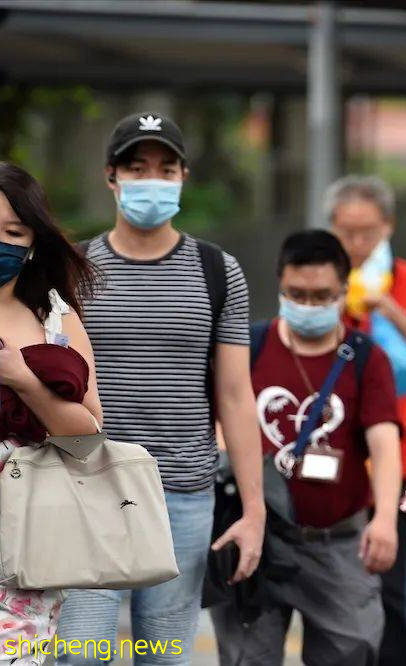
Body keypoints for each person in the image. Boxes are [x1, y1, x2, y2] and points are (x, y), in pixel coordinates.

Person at [56, 112, 265, 665]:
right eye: (137, 167)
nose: (152, 179)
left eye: (165, 169)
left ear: (183, 177)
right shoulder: (73, 269)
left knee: (165, 656)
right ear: (111, 176)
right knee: (81, 654)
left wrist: (254, 509)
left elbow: (236, 397)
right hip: (86, 487)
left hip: (183, 494)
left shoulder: (218, 270)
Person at [211, 230, 400, 664]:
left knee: (351, 650)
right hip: (257, 536)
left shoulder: (367, 358)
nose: (309, 305)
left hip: (336, 541)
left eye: (321, 296)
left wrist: (385, 520)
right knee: (246, 657)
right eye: (297, 294)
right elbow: (219, 425)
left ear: (343, 291)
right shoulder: (249, 347)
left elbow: (385, 444)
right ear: (280, 285)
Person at [327, 175, 406, 666]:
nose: (356, 243)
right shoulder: (318, 284)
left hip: (403, 457)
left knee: (393, 590)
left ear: (388, 226)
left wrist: (391, 312)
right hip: (333, 456)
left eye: (367, 232)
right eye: (346, 231)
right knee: (333, 589)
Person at [0, 161, 102, 664]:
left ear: (34, 242)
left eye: (12, 232)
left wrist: (22, 378)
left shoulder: (56, 320)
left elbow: (88, 438)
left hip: (25, 545)